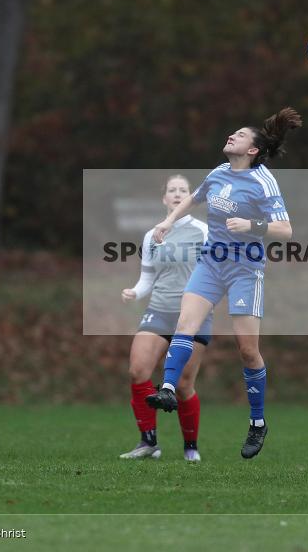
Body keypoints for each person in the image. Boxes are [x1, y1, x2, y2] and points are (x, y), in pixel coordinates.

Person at [145, 107, 301, 459]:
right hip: (211, 263)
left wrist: (251, 226)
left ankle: (258, 423)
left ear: (253, 151)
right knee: (186, 323)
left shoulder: (263, 181)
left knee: (247, 350)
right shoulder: (218, 173)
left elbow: (286, 230)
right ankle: (168, 387)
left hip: (246, 269)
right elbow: (194, 198)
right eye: (234, 132)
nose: (233, 135)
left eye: (241, 135)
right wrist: (169, 220)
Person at [119, 175, 212, 463]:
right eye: (172, 190)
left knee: (183, 385)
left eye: (183, 191)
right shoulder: (152, 235)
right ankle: (149, 443)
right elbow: (147, 277)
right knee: (138, 370)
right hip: (158, 309)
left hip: (194, 314)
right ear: (164, 199)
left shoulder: (205, 232)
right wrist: (135, 292)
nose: (177, 194)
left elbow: (216, 274)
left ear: (189, 199)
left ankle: (190, 446)